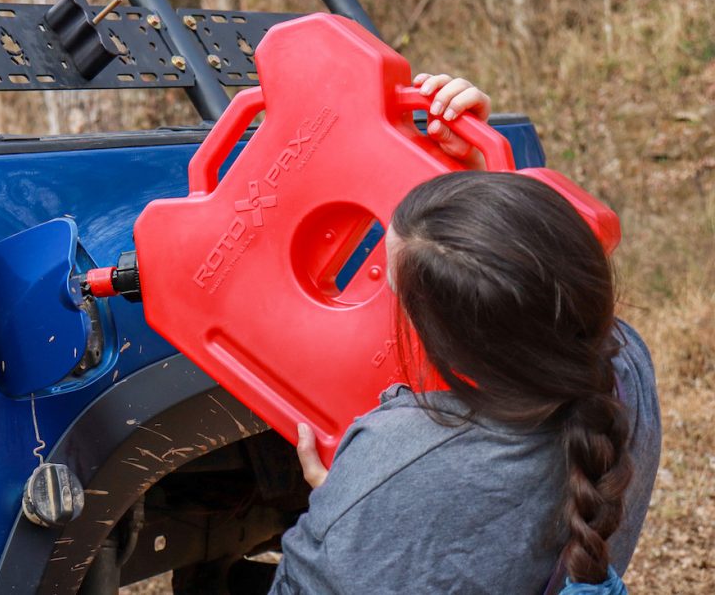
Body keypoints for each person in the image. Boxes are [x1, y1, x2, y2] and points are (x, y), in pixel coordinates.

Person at [269, 74, 662, 594]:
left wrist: (346, 505)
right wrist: (480, 195)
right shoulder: (626, 364)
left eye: (396, 292)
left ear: (449, 337)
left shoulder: (395, 456)